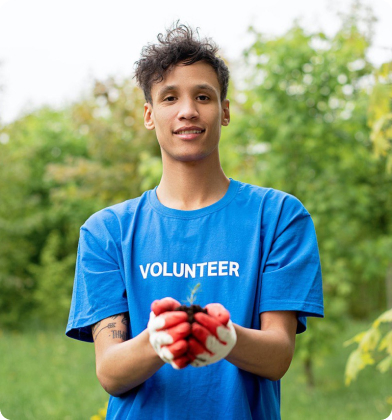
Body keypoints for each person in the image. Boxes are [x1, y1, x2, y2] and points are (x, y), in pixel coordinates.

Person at [65, 22, 324, 420]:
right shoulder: (106, 231)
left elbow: (277, 357)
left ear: (224, 112)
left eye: (203, 96)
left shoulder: (278, 216)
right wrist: (159, 338)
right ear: (150, 115)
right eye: (170, 98)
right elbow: (111, 372)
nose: (188, 110)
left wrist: (224, 337)